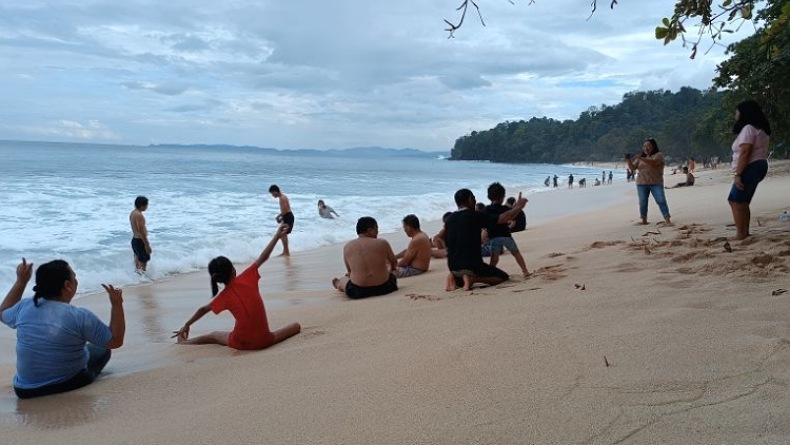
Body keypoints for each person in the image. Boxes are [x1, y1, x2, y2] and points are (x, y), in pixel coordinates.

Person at [1, 259, 125, 399]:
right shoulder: (79, 316)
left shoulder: (24, 307)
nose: (76, 281)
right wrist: (117, 304)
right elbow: (116, 341)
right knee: (101, 349)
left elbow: (3, 312)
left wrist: (21, 282)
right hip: (65, 383)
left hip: (24, 390)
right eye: (74, 277)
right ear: (67, 285)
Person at [173, 224, 301, 348]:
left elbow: (203, 310)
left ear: (217, 280)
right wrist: (277, 235)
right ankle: (185, 344)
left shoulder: (223, 296)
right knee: (296, 326)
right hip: (266, 340)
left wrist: (187, 324)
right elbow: (264, 256)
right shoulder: (248, 276)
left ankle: (185, 343)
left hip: (242, 344)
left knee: (214, 335)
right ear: (233, 270)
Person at [444, 188, 527, 291]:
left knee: (461, 279)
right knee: (502, 277)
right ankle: (472, 279)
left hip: (453, 266)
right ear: (470, 199)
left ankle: (454, 276)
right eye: (474, 198)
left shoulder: (449, 220)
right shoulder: (474, 216)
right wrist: (519, 207)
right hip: (472, 266)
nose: (475, 201)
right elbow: (502, 219)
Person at [728, 99, 771, 240]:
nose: (736, 114)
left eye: (737, 111)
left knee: (736, 200)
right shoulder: (760, 128)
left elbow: (745, 152)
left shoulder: (748, 128)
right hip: (758, 165)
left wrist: (738, 174)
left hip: (751, 166)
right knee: (742, 200)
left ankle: (741, 234)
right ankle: (744, 232)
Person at [332, 217, 398, 299]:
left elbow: (350, 272)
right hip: (385, 287)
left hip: (358, 292)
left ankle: (339, 284)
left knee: (343, 279)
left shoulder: (347, 247)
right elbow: (394, 263)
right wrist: (388, 269)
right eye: (376, 229)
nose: (378, 233)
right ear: (370, 230)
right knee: (393, 271)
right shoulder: (382, 243)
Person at [485, 183, 530, 277]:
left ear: (488, 197)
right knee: (516, 253)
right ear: (503, 197)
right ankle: (525, 271)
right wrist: (519, 206)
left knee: (494, 257)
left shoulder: (487, 209)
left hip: (494, 236)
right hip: (506, 235)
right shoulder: (505, 208)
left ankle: (490, 273)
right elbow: (512, 216)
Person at [624, 139, 672, 226]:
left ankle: (667, 219)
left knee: (660, 200)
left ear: (653, 146)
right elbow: (633, 168)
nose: (646, 148)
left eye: (648, 146)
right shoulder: (641, 158)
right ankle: (644, 220)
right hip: (641, 183)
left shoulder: (659, 155)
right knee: (643, 202)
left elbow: (653, 163)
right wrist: (628, 160)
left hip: (656, 182)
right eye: (644, 146)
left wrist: (640, 158)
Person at [268, 185, 293, 256]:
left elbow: (285, 211)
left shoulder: (282, 198)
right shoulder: (283, 196)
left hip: (288, 216)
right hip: (288, 216)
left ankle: (286, 252)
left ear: (276, 191)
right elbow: (286, 210)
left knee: (282, 234)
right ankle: (286, 251)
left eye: (272, 193)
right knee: (283, 235)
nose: (272, 195)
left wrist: (278, 217)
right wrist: (282, 218)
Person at [130, 196, 152, 274]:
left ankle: (138, 278)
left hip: (135, 240)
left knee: (137, 259)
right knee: (143, 261)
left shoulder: (133, 213)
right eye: (146, 205)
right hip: (140, 240)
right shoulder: (139, 215)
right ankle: (143, 278)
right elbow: (141, 231)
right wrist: (147, 245)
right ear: (142, 205)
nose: (147, 207)